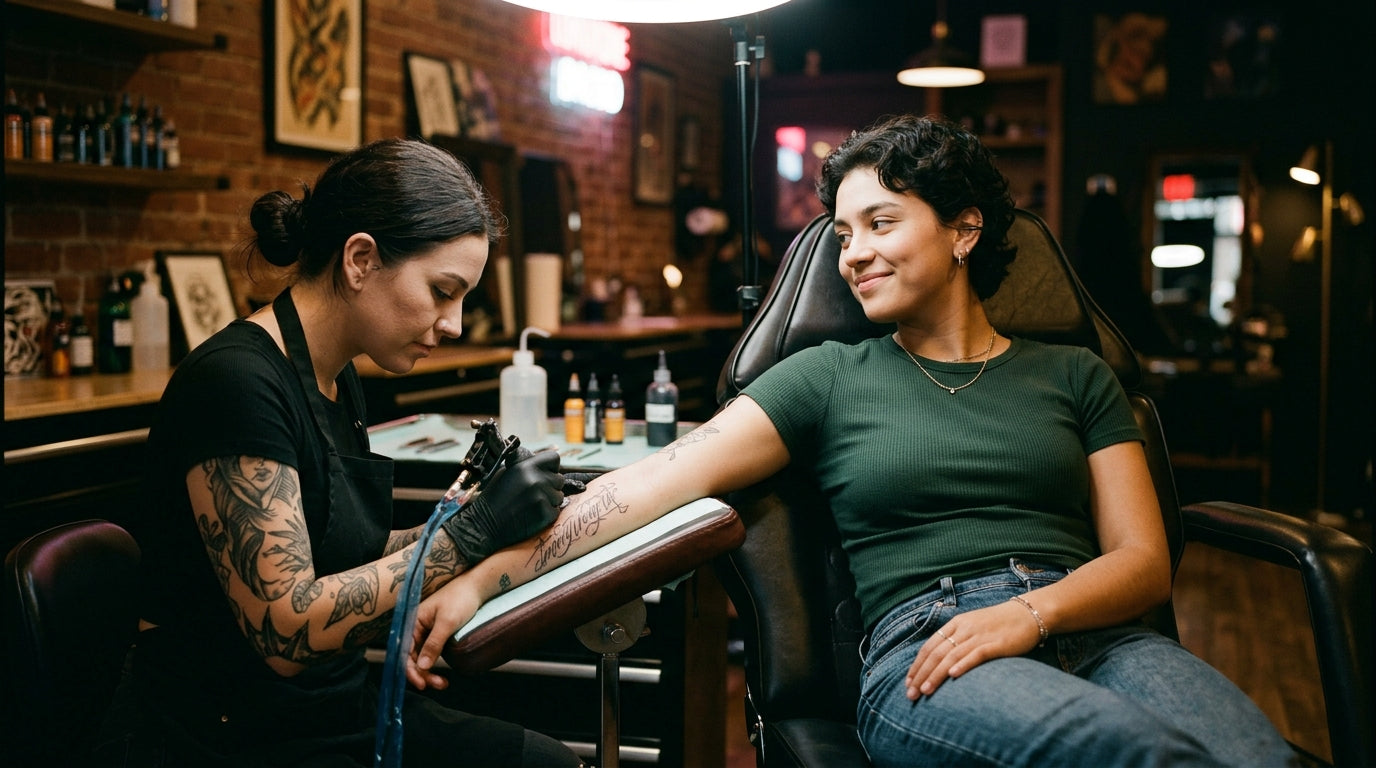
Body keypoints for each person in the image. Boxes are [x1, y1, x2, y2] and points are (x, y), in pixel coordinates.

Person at [409, 116, 1299, 767]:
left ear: (962, 230)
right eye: (841, 234)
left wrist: (1033, 613)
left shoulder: (1075, 376)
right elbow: (653, 483)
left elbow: (1144, 562)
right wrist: (490, 574)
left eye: (881, 223)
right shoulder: (828, 376)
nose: (852, 255)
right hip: (934, 649)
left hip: (1103, 633)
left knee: (1256, 757)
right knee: (1133, 755)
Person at [101, 138, 584, 767]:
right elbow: (286, 627)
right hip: (235, 734)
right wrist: (470, 535)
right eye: (442, 290)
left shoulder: (334, 376)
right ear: (360, 260)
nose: (455, 324)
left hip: (333, 704)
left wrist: (486, 519)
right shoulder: (236, 384)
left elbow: (344, 553)